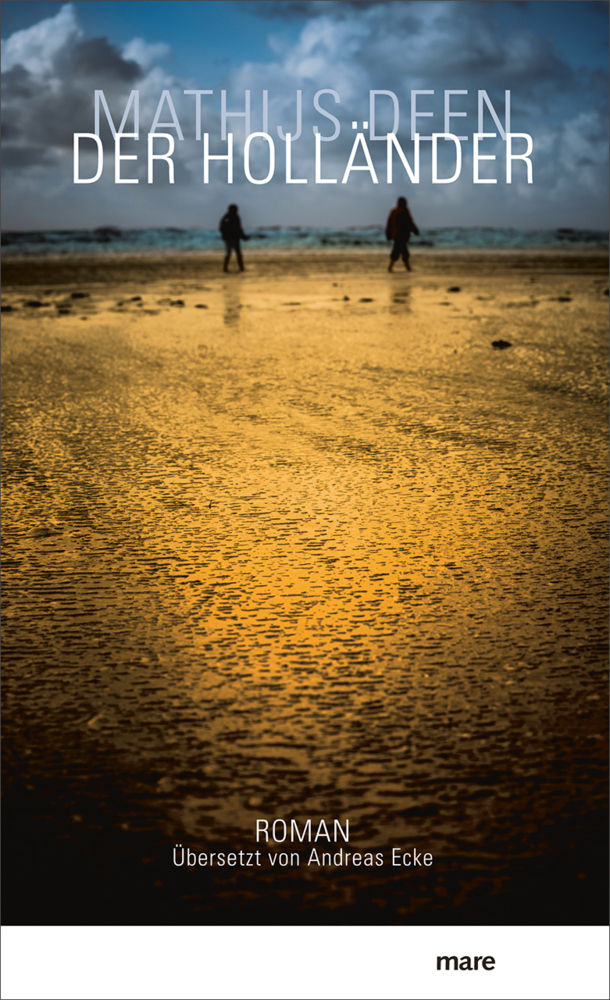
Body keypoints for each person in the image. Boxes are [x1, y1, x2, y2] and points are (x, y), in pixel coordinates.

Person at [385, 197, 419, 272]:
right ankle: (405, 267)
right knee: (401, 251)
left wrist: (388, 235)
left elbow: (389, 224)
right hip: (401, 235)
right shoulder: (404, 211)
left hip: (396, 235)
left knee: (399, 250)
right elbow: (410, 223)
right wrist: (415, 231)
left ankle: (394, 267)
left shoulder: (394, 212)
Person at [219, 204, 249, 272]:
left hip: (230, 238)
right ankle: (240, 268)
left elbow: (221, 228)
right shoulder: (233, 217)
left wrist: (242, 236)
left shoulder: (226, 217)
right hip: (233, 238)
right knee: (237, 253)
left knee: (230, 253)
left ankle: (227, 268)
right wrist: (243, 236)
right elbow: (239, 228)